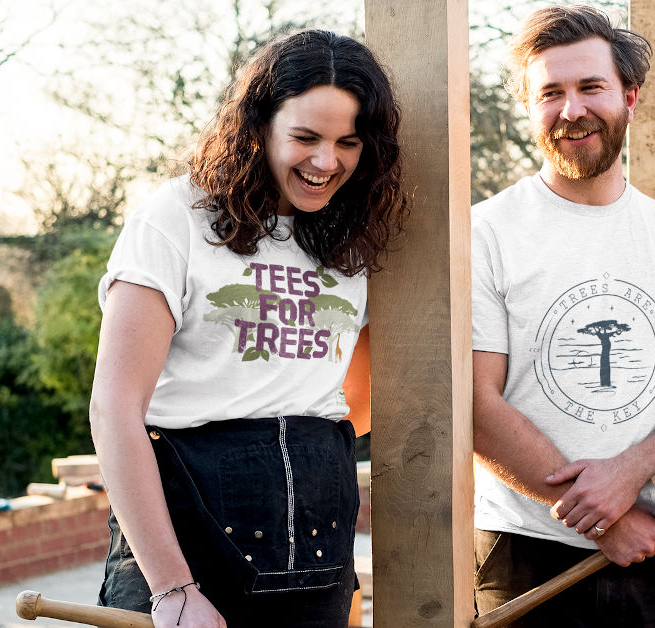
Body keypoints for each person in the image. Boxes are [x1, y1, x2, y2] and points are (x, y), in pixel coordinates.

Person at [89, 29, 407, 628]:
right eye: (305, 137)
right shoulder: (177, 218)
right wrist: (173, 588)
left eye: (348, 142)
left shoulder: (355, 241)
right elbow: (114, 409)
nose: (325, 161)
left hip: (316, 558)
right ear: (259, 125)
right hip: (185, 553)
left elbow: (354, 406)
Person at [470, 6, 655, 626]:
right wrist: (604, 518)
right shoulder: (486, 234)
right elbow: (478, 406)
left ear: (629, 97)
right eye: (551, 93)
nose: (571, 110)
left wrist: (630, 473)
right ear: (530, 107)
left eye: (590, 87)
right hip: (528, 551)